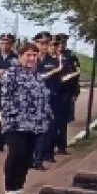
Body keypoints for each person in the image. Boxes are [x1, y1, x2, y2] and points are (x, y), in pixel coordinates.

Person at [0, 42, 51, 194]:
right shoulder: (11, 74)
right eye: (28, 55)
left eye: (34, 55)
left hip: (34, 124)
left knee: (27, 156)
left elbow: (43, 98)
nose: (32, 58)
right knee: (17, 153)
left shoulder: (37, 75)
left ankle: (19, 185)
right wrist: (10, 113)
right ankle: (10, 186)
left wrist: (47, 116)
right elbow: (4, 97)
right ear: (20, 56)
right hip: (15, 123)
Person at [33, 32, 62, 169]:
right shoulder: (30, 58)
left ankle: (39, 158)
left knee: (45, 130)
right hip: (31, 100)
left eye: (46, 43)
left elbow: (57, 84)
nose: (43, 46)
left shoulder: (54, 62)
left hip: (48, 100)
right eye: (40, 43)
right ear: (36, 43)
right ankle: (31, 157)